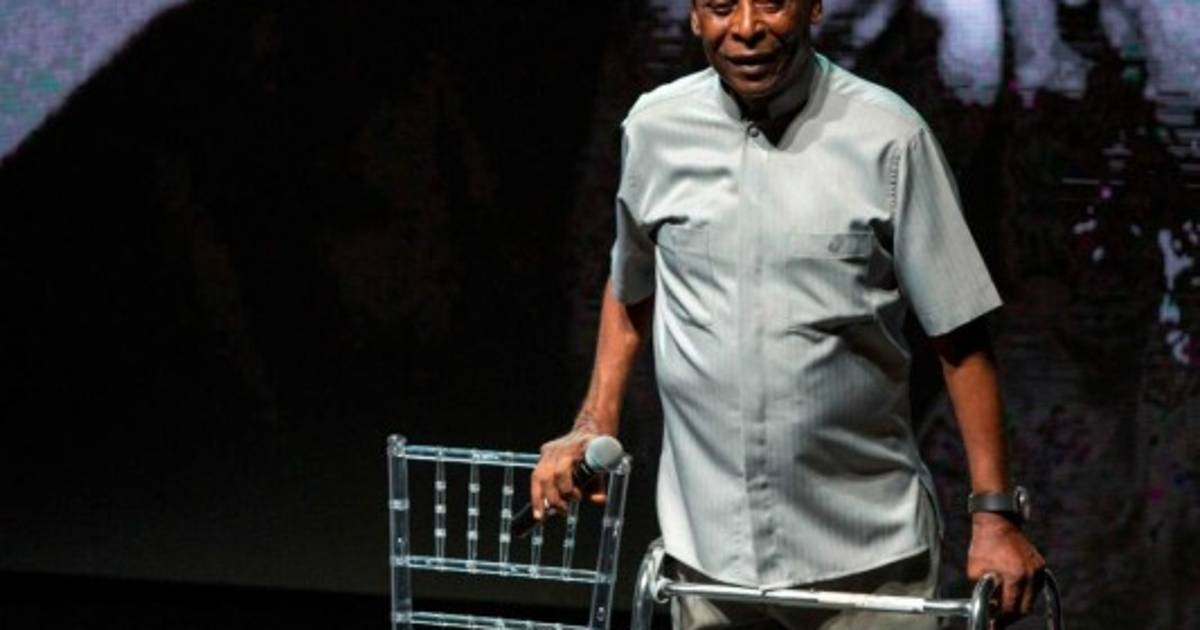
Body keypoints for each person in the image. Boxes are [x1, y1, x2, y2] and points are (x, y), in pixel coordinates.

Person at [532, 1, 1045, 628]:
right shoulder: (654, 129)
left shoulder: (890, 137)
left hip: (869, 563)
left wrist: (994, 517)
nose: (747, 28)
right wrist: (593, 419)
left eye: (772, 2)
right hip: (707, 561)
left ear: (814, 8)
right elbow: (630, 280)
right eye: (722, 7)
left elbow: (960, 336)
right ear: (694, 16)